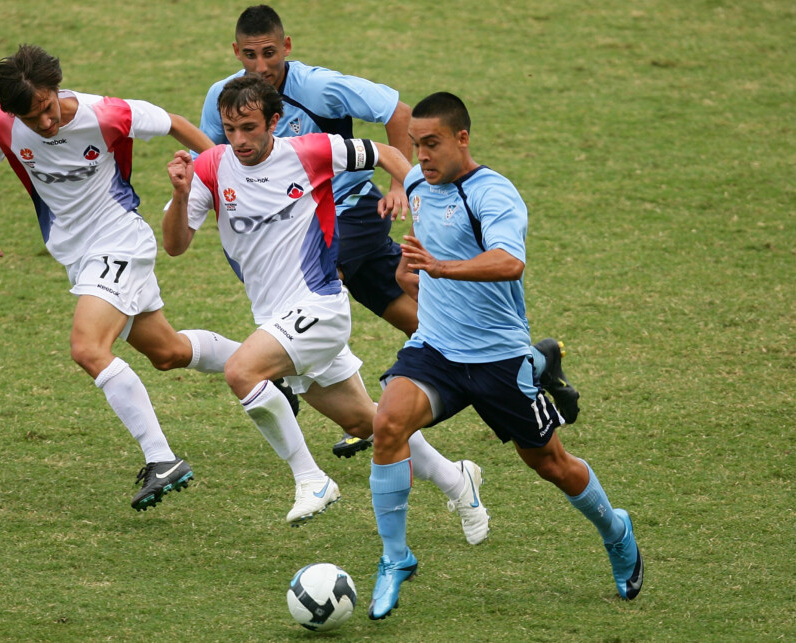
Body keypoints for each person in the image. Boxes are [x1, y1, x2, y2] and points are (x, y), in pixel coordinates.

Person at [200, 4, 579, 459]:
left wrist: (401, 183)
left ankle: (286, 383)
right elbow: (217, 156)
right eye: (249, 55)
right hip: (292, 218)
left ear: (286, 47)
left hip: (349, 209)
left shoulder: (319, 86)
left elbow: (397, 112)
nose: (260, 68)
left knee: (315, 285)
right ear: (234, 51)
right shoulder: (226, 96)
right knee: (401, 306)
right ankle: (534, 362)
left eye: (268, 54)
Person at [163, 75, 489, 542]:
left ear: (274, 121)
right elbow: (175, 246)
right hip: (277, 319)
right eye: (230, 129)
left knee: (241, 371)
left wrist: (405, 190)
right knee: (367, 422)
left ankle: (311, 479)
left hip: (320, 305)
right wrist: (179, 194)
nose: (239, 140)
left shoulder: (309, 151)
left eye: (249, 128)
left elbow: (386, 152)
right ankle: (458, 480)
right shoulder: (212, 167)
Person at [366, 93, 643, 620]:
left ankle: (616, 529)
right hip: (437, 349)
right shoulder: (421, 187)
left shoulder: (493, 194)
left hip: (496, 358)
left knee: (550, 464)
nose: (421, 155)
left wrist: (441, 268)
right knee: (387, 426)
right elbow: (423, 264)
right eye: (415, 144)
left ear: (461, 139)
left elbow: (509, 261)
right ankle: (396, 557)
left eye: (432, 143)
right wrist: (412, 276)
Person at [0, 44, 256, 512]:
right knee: (168, 352)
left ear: (57, 90)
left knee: (87, 348)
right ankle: (268, 368)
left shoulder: (106, 115)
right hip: (78, 257)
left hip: (119, 241)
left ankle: (163, 459)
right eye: (33, 118)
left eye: (49, 109)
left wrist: (225, 169)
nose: (46, 123)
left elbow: (174, 121)